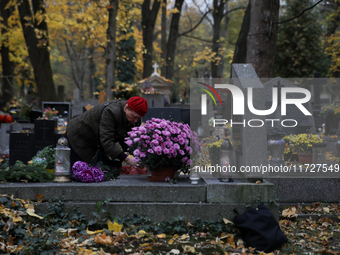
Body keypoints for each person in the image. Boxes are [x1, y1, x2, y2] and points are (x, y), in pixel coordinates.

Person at [66, 96, 148, 169]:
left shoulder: (132, 118)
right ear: (126, 108)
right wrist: (127, 159)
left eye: (139, 118)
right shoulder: (111, 112)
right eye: (134, 116)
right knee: (80, 172)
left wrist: (140, 156)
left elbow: (127, 140)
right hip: (78, 137)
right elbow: (107, 141)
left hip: (95, 141)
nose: (135, 121)